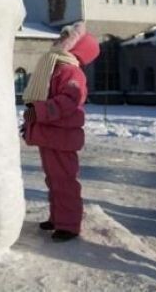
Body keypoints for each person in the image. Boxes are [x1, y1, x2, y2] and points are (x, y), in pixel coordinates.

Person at [20, 21, 100, 242]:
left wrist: (39, 111)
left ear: (74, 47)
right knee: (54, 180)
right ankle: (58, 218)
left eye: (64, 38)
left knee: (65, 181)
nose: (57, 41)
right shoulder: (55, 68)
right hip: (51, 135)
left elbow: (68, 102)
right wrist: (32, 120)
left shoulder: (71, 72)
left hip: (61, 137)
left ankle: (69, 225)